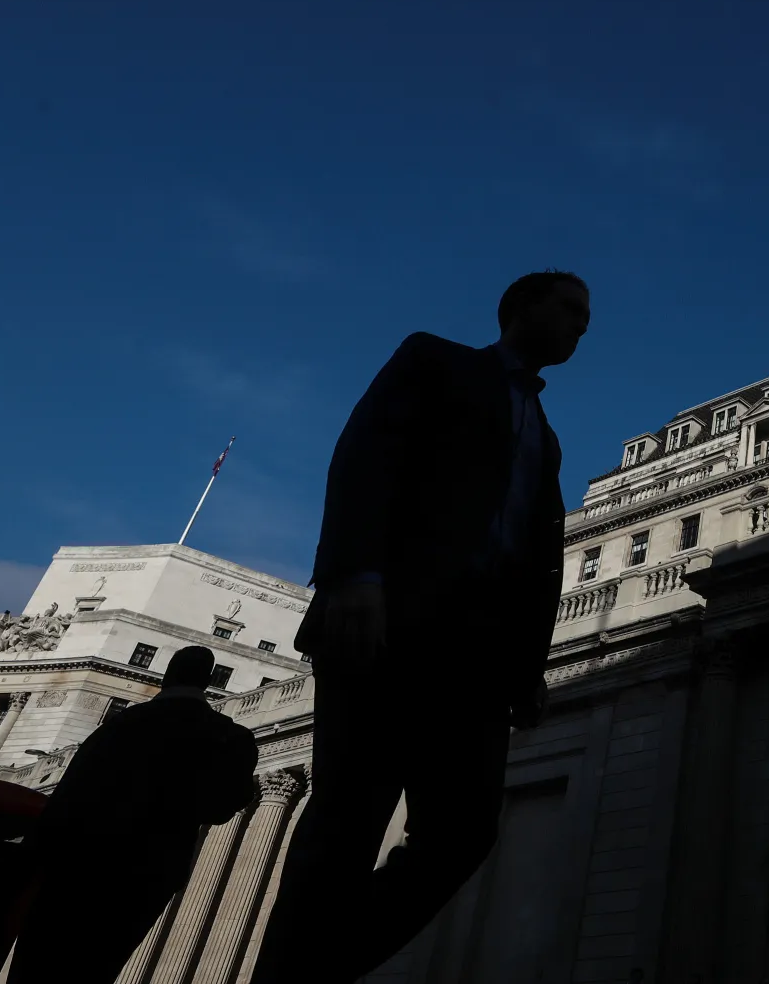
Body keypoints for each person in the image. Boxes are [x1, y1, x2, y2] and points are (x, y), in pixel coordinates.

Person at [251, 270, 591, 984]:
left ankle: (316, 962)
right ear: (522, 306)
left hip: (476, 654)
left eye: (585, 318)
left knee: (464, 832)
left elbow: (535, 554)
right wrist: (355, 577)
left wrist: (527, 670)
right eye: (571, 310)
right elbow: (365, 459)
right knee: (347, 822)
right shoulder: (434, 360)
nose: (582, 326)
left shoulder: (548, 435)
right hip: (386, 623)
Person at [7, 646, 257, 984]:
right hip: (150, 871)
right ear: (210, 681)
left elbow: (65, 800)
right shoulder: (230, 735)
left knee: (38, 965)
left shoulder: (117, 727)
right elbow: (225, 806)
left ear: (167, 675)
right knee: (99, 966)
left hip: (76, 866)